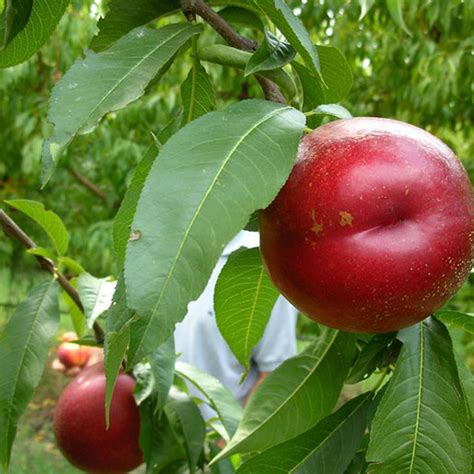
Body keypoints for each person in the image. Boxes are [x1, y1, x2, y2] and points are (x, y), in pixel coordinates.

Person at [174, 230, 298, 420]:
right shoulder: (168, 252)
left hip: (217, 438)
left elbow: (274, 371)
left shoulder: (262, 260)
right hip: (161, 434)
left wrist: (231, 440)